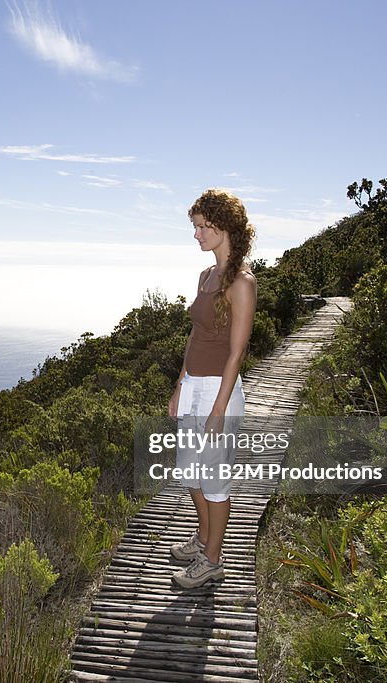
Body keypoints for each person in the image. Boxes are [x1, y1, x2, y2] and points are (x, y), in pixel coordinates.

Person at [168, 188, 257, 588]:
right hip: (193, 387)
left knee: (214, 480)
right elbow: (195, 336)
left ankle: (213, 560)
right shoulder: (206, 275)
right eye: (196, 227)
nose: (197, 235)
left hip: (219, 392)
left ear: (224, 228)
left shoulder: (241, 282)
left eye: (203, 227)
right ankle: (202, 538)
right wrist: (179, 385)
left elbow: (237, 353)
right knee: (190, 474)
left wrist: (219, 408)